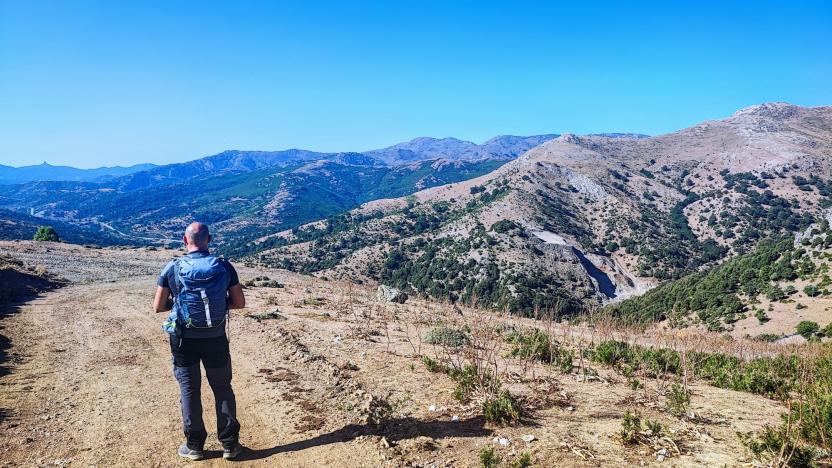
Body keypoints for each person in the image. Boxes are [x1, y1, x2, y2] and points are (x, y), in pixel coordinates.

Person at [153, 222, 246, 460]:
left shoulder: (172, 268)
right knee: (222, 388)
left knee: (189, 389)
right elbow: (239, 303)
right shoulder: (224, 267)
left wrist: (179, 306)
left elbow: (157, 307)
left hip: (184, 339)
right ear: (209, 239)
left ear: (185, 241)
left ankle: (194, 445)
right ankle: (230, 444)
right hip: (215, 338)